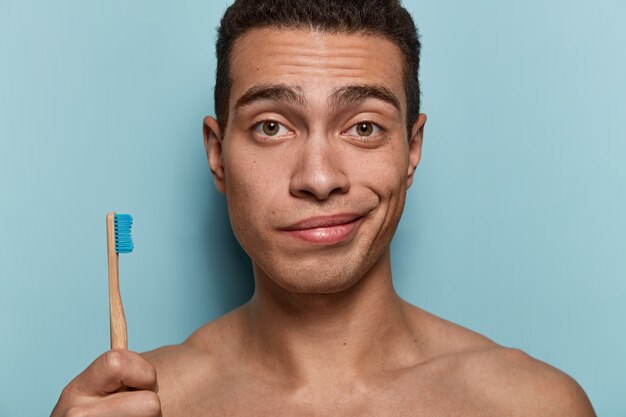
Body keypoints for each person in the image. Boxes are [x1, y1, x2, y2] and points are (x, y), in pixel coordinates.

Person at [51, 0, 597, 415]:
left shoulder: (531, 405)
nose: (318, 178)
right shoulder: (133, 405)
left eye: (364, 127)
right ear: (218, 155)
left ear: (412, 150)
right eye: (272, 126)